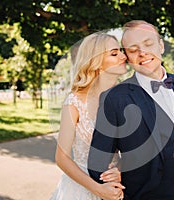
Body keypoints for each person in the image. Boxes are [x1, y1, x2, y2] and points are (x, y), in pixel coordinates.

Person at [88, 20, 174, 199]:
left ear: (161, 45)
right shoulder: (115, 98)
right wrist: (115, 177)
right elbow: (97, 162)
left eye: (148, 44)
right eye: (133, 49)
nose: (142, 53)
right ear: (127, 56)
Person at [51, 32, 127, 200]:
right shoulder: (75, 102)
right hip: (82, 188)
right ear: (96, 62)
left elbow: (134, 147)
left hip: (117, 186)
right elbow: (61, 158)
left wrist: (121, 171)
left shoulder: (125, 98)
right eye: (114, 53)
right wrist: (99, 190)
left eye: (120, 51)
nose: (124, 56)